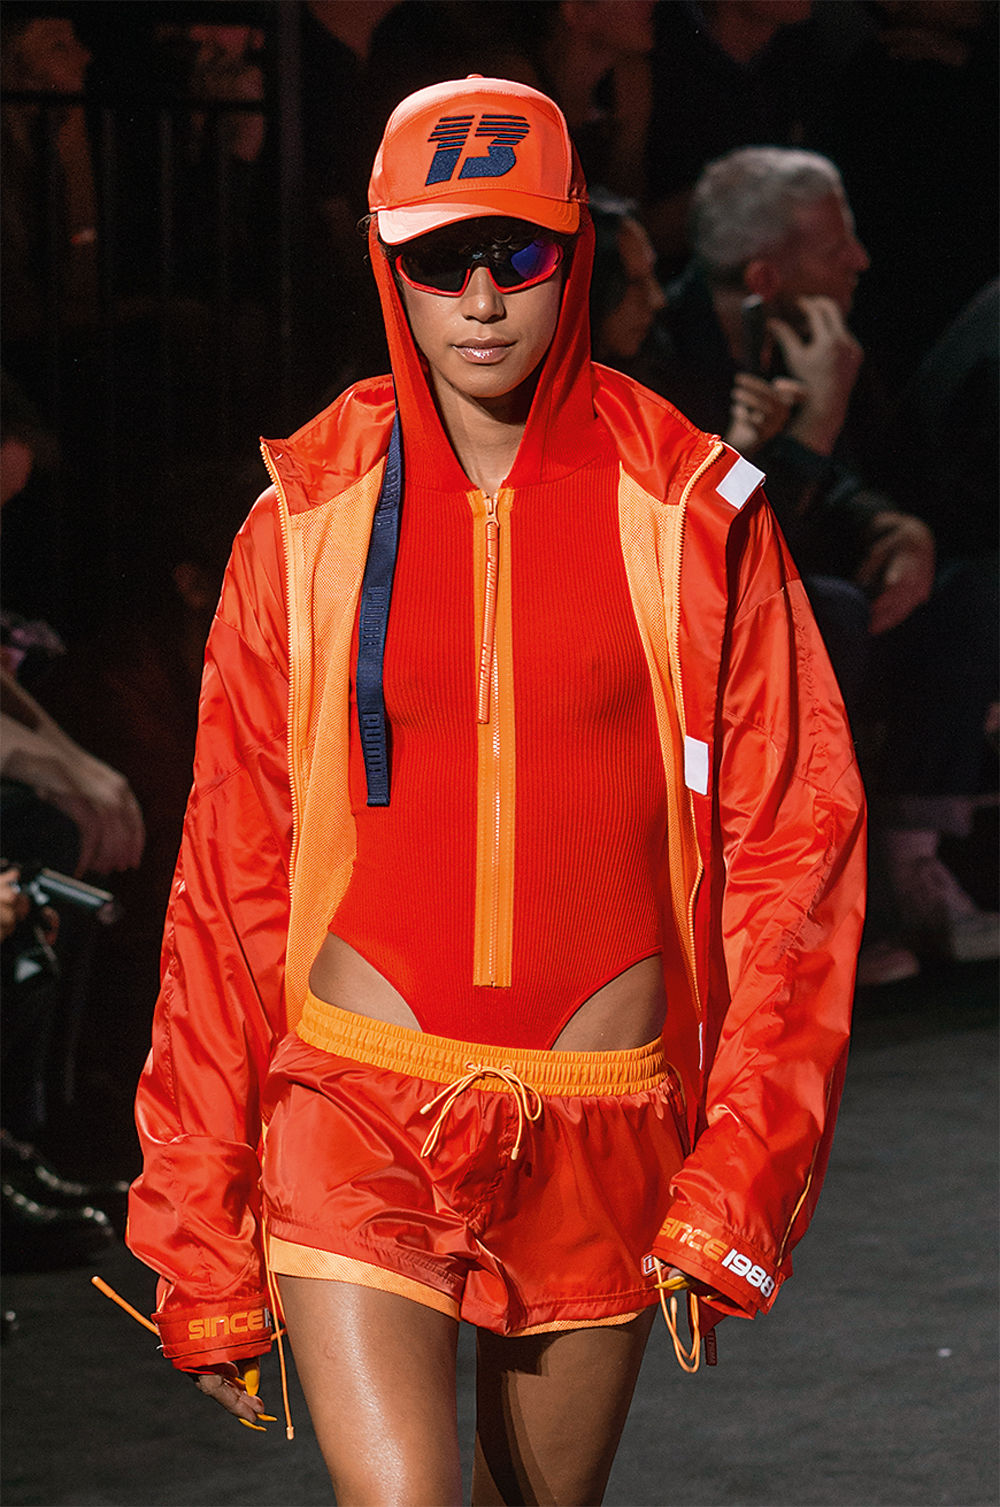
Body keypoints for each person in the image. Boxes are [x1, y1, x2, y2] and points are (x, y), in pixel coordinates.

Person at [126, 76, 865, 1504]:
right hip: (355, 1102)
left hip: (602, 1121)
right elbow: (228, 883)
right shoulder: (303, 523)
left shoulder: (694, 514)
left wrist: (740, 1173)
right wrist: (199, 1235)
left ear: (573, 250)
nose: (478, 299)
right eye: (437, 258)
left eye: (514, 254)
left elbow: (797, 852)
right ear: (384, 263)